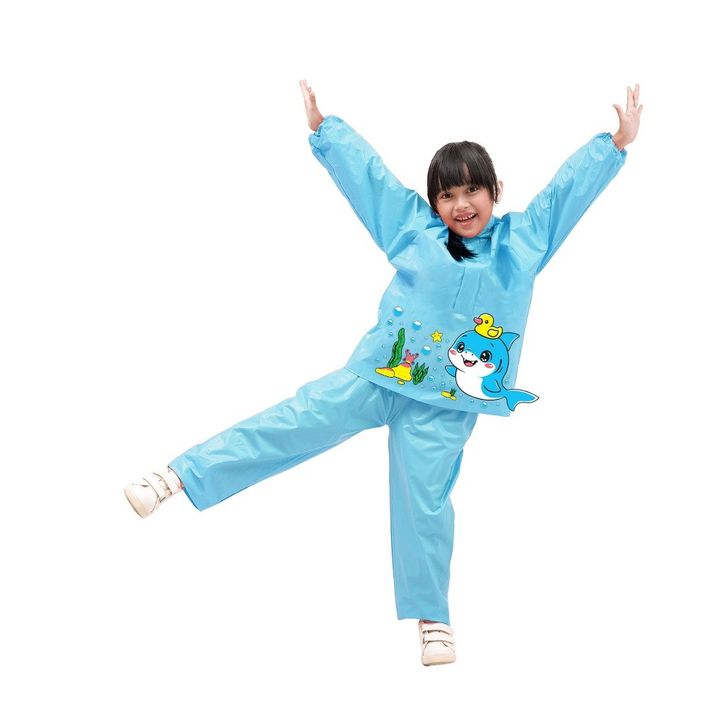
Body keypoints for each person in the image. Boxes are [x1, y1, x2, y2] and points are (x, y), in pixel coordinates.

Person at [125, 80, 643, 666]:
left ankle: (433, 617)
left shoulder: (524, 242)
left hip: (446, 405)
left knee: (424, 505)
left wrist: (614, 144)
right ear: (434, 203)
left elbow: (563, 195)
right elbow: (372, 183)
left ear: (495, 191)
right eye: (447, 195)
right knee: (292, 422)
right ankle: (178, 475)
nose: (461, 205)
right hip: (377, 376)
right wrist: (327, 131)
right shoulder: (415, 232)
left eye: (472, 190)